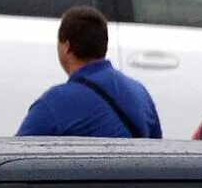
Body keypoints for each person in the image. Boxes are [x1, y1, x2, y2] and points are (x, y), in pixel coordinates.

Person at [15, 7, 162, 138]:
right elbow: (157, 154)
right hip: (135, 169)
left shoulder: (55, 103)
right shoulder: (139, 92)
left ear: (66, 46)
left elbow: (15, 158)